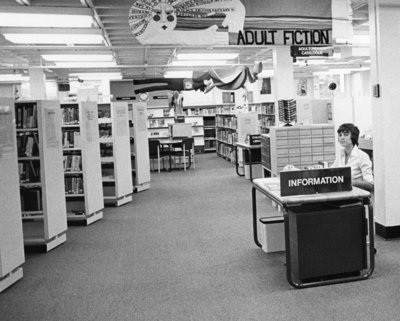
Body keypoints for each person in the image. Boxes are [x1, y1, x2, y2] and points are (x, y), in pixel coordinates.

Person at [132, 62, 263, 94]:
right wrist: (204, 81)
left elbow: (207, 89)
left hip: (179, 85)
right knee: (159, 80)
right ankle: (137, 82)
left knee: (159, 86)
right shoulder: (204, 78)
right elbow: (199, 78)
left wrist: (209, 85)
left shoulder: (204, 85)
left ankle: (138, 90)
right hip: (180, 80)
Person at [331, 123, 374, 192]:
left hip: (357, 197)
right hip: (343, 193)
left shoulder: (362, 156)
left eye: (346, 135)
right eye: (340, 135)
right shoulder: (340, 154)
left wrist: (346, 182)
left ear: (353, 137)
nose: (342, 137)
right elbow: (331, 172)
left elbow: (370, 184)